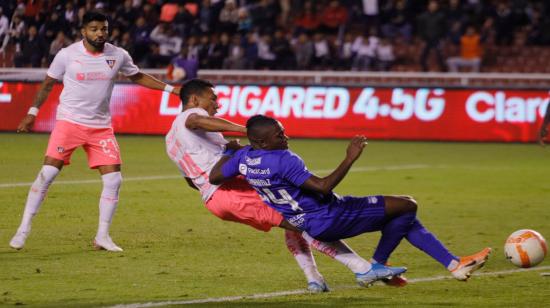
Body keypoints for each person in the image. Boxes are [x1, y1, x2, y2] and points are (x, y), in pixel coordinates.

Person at [165, 79, 407, 292]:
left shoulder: (170, 140)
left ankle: (315, 280)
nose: (217, 105)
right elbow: (197, 121)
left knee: (294, 212)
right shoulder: (190, 117)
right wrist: (249, 131)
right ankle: (363, 268)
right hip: (229, 192)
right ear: (194, 99)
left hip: (217, 198)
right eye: (213, 99)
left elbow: (190, 180)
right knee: (305, 220)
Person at [210, 115, 492, 282]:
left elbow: (214, 177)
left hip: (309, 221)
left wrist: (231, 151)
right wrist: (349, 158)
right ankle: (379, 264)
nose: (285, 137)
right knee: (407, 204)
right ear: (262, 141)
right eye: (278, 135)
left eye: (282, 131)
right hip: (330, 215)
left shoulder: (245, 157)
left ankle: (454, 265)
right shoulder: (284, 158)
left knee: (402, 213)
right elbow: (321, 186)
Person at [9, 11, 181, 252]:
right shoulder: (67, 55)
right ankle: (23, 228)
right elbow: (48, 83)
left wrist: (173, 91)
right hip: (69, 122)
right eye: (94, 29)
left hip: (101, 127)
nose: (100, 33)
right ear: (83, 31)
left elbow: (138, 76)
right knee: (48, 173)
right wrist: (32, 112)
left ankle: (102, 236)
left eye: (103, 29)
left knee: (114, 179)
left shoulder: (118, 55)